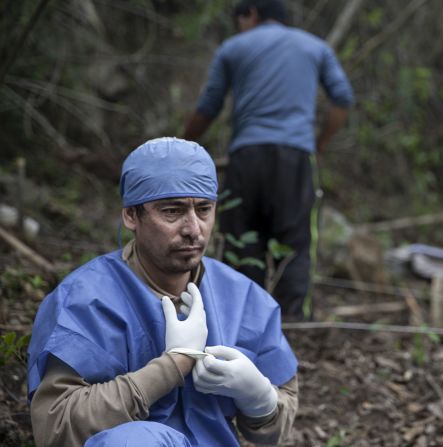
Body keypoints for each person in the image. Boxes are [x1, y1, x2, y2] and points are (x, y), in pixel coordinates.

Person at [27, 137, 298, 446]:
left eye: (204, 210)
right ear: (131, 216)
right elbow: (56, 425)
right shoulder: (84, 302)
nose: (193, 229)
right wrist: (172, 366)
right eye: (172, 211)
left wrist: (259, 397)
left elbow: (281, 417)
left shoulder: (244, 299)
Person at [183, 0, 354, 319]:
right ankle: (293, 329)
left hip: (246, 157)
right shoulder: (315, 47)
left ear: (251, 14)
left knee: (243, 240)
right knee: (296, 244)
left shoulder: (233, 48)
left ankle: (243, 325)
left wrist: (180, 146)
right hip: (295, 158)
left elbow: (209, 106)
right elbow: (342, 99)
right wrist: (320, 143)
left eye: (240, 19)